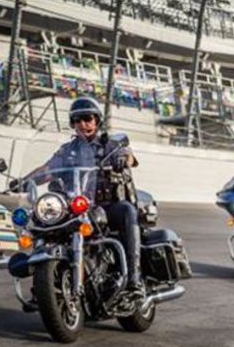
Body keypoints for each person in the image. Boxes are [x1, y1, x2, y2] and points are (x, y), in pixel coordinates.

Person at [16, 97, 144, 298]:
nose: (82, 123)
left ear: (96, 121)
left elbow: (129, 155)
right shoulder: (68, 151)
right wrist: (24, 181)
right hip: (76, 206)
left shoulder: (110, 145)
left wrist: (124, 158)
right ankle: (43, 287)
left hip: (106, 205)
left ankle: (134, 279)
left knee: (127, 210)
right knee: (43, 220)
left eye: (87, 118)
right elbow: (48, 169)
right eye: (77, 120)